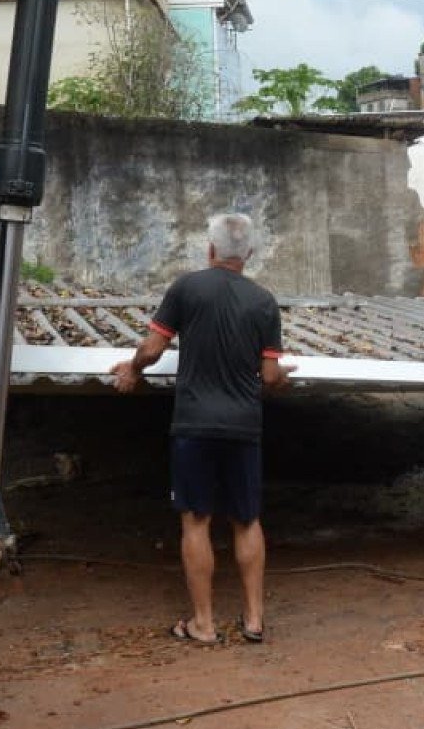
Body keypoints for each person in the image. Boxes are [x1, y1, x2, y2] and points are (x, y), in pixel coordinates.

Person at [112, 214, 292, 645]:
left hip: (194, 424)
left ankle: (204, 624)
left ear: (210, 250)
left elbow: (153, 349)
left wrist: (131, 369)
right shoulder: (264, 302)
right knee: (247, 520)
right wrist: (281, 378)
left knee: (196, 521)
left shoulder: (186, 288)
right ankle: (253, 621)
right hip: (243, 426)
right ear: (248, 255)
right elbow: (269, 376)